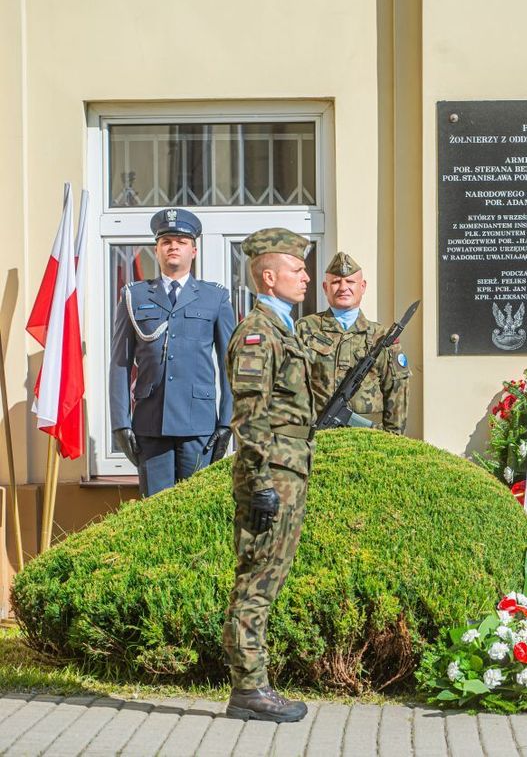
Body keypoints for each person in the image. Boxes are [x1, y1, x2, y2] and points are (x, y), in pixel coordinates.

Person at [222, 227, 314, 723]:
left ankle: (254, 684)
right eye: (297, 270)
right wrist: (259, 482)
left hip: (287, 469)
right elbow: (250, 417)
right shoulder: (257, 333)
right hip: (271, 474)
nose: (306, 277)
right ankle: (249, 690)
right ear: (270, 276)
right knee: (256, 580)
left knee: (268, 579)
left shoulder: (283, 329)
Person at [108, 208, 235, 497]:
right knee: (155, 512)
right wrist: (120, 423)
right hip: (152, 424)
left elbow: (231, 364)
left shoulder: (215, 297)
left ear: (194, 250)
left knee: (196, 509)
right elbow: (120, 363)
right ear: (157, 250)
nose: (173, 246)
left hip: (199, 425)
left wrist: (227, 421)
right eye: (166, 242)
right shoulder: (135, 296)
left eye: (180, 241)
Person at [295, 252, 411, 432]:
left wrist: (394, 440)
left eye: (350, 282)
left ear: (363, 286)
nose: (343, 287)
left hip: (368, 438)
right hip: (317, 433)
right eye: (335, 282)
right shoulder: (305, 328)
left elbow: (396, 390)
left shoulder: (380, 335)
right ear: (325, 287)